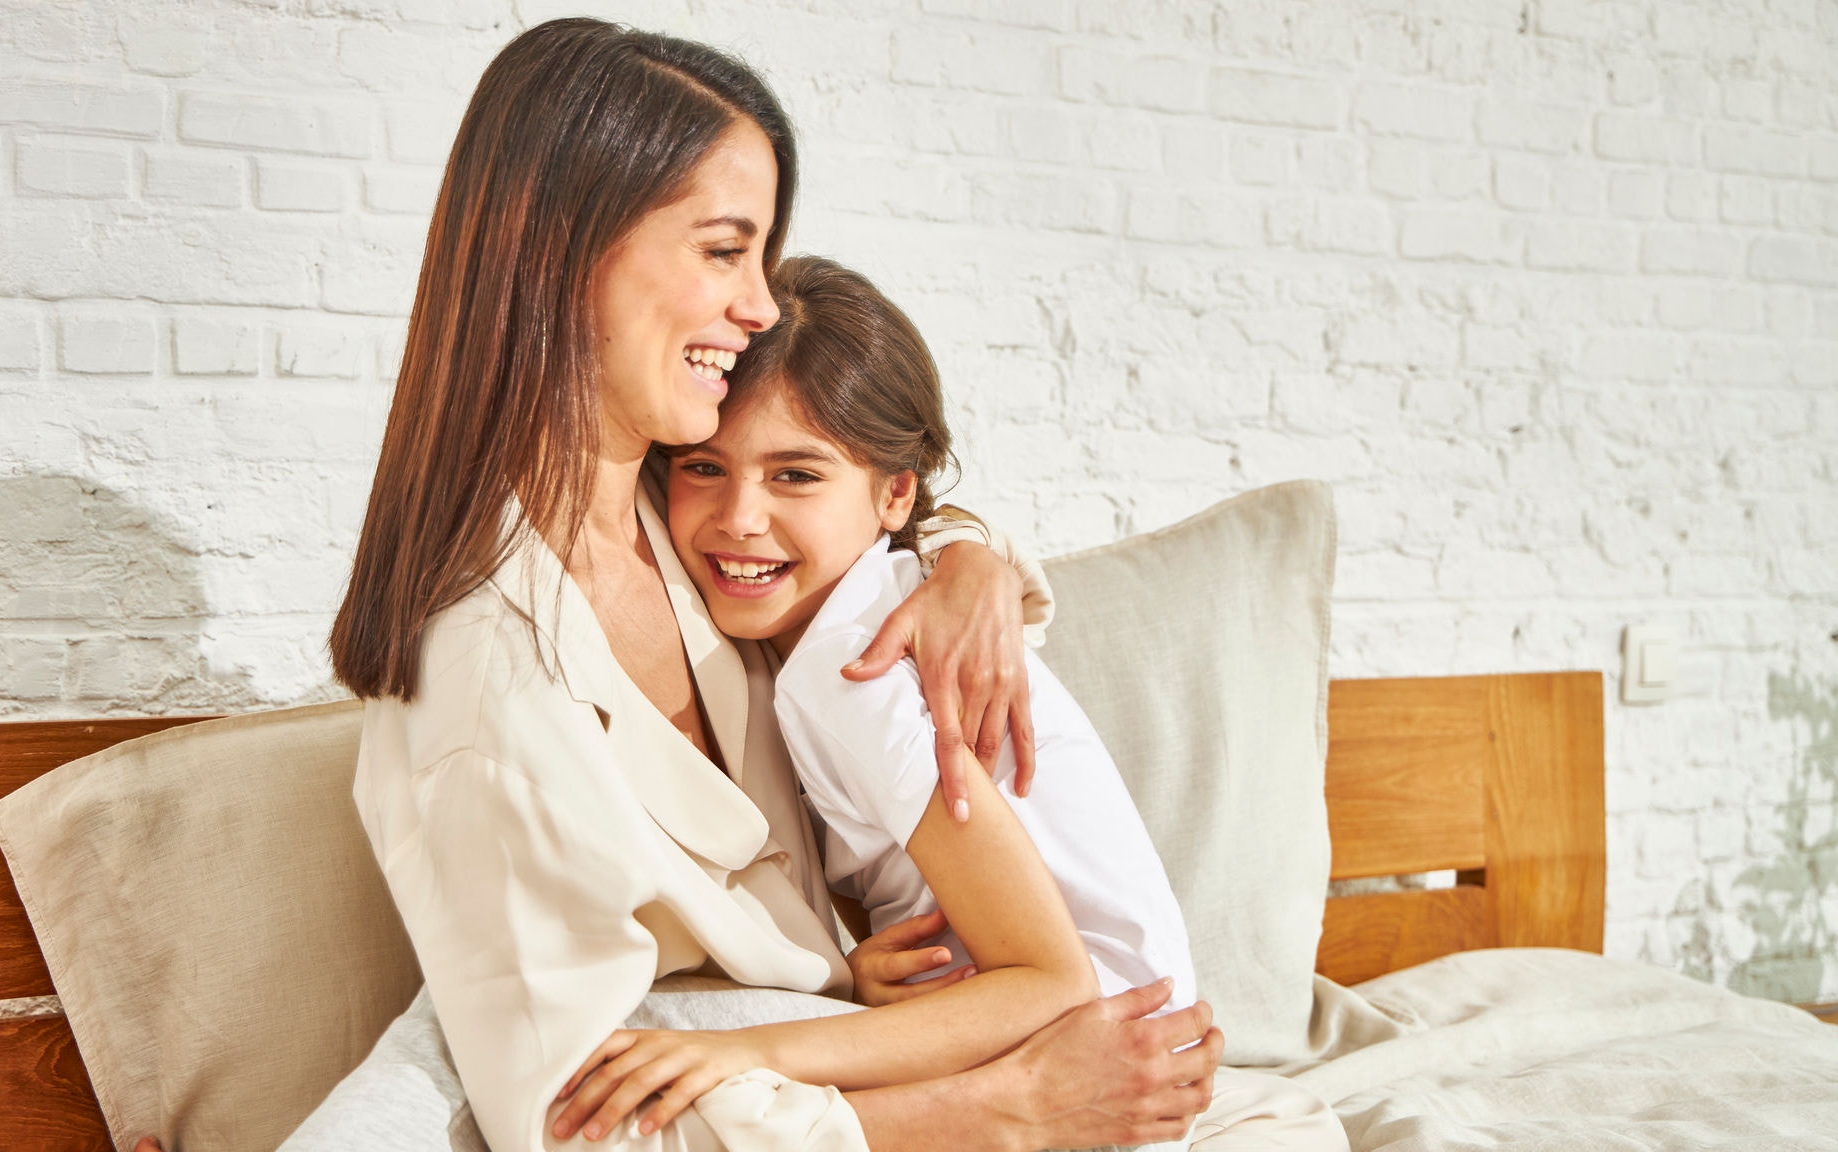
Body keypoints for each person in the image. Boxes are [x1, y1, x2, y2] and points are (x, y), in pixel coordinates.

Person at [138, 17, 1317, 1152]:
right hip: (830, 1098)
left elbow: (860, 497)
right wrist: (1002, 1110)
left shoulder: (688, 518)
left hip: (838, 1045)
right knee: (450, 1044)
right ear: (555, 250)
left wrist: (968, 563)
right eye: (722, 249)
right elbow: (573, 1121)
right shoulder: (489, 679)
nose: (758, 304)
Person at [546, 256, 1345, 1151]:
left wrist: (744, 1052)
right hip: (1030, 1024)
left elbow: (1051, 978)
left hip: (1096, 1064)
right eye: (702, 468)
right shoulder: (847, 625)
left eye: (796, 476)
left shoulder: (863, 670)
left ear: (894, 494)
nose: (739, 516)